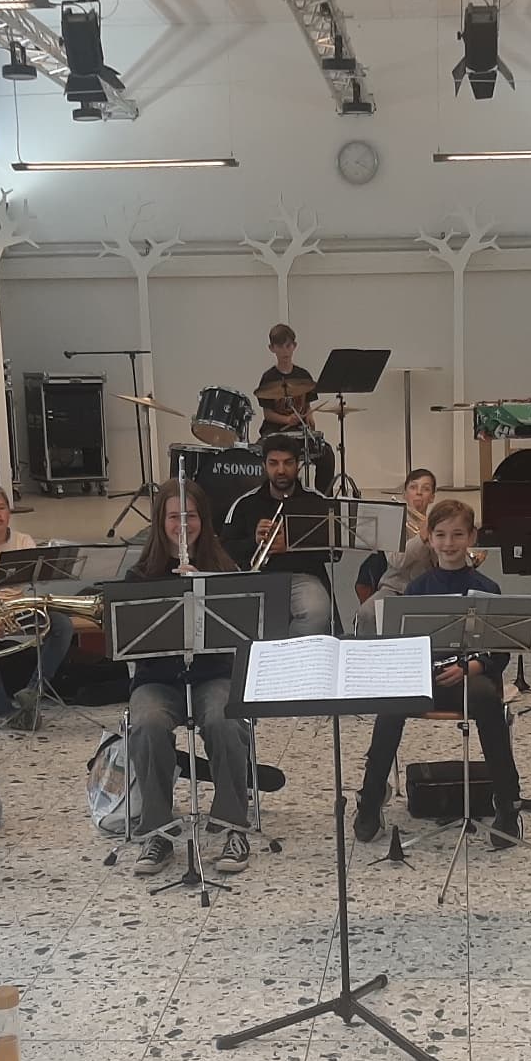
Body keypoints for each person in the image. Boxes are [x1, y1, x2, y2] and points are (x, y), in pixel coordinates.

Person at [353, 499, 523, 849]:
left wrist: (473, 666)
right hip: (426, 677)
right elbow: (405, 648)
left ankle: (508, 803)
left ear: (472, 537)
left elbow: (500, 651)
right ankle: (369, 800)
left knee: (486, 700)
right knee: (390, 707)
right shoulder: (417, 588)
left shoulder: (487, 587)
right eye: (441, 535)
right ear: (429, 538)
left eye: (458, 535)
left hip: (472, 678)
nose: (449, 543)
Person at [123, 479, 255, 879]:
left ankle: (233, 826)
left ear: (204, 520)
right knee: (147, 724)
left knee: (225, 720)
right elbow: (130, 644)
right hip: (158, 679)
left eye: (191, 516)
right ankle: (157, 831)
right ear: (160, 521)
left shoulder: (224, 569)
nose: (183, 524)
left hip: (212, 674)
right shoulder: (139, 576)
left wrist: (204, 590)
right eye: (173, 517)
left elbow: (241, 636)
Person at [0, 484, 76, 719]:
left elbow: (35, 581)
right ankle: (3, 709)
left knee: (62, 624)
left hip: (19, 607)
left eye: (2, 507)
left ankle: (33, 691)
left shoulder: (23, 540)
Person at [223, 432, 334, 636]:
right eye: (273, 463)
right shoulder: (246, 504)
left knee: (316, 612)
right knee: (233, 618)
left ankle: (293, 654)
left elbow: (334, 553)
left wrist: (292, 546)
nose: (281, 470)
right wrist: (254, 541)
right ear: (264, 466)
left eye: (288, 463)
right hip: (257, 577)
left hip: (302, 577)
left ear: (298, 465)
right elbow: (226, 549)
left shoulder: (316, 502)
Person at [355, 468, 438, 636]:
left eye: (426, 489)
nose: (419, 493)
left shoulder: (437, 524)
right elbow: (396, 561)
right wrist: (421, 538)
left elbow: (441, 563)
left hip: (428, 589)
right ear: (404, 494)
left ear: (432, 497)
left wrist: (436, 541)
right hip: (395, 588)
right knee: (366, 613)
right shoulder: (390, 522)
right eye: (413, 487)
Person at [256, 322, 332, 494]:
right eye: (279, 346)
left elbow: (307, 407)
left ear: (294, 346)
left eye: (288, 345)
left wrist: (310, 421)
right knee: (261, 454)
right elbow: (267, 414)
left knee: (326, 454)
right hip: (274, 431)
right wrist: (286, 419)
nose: (285, 351)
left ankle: (323, 498)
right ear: (272, 348)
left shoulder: (303, 376)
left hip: (299, 432)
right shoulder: (268, 377)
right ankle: (269, 495)